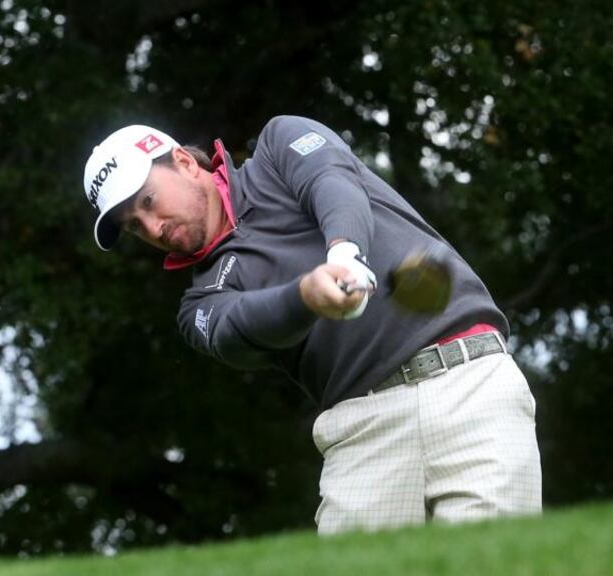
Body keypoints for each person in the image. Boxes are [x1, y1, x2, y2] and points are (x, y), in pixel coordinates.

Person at [81, 116, 542, 534]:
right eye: (135, 226)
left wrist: (344, 253)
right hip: (362, 432)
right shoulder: (199, 303)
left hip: (469, 381)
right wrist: (306, 296)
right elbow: (240, 329)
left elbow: (332, 182)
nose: (152, 227)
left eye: (148, 201)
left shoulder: (278, 147)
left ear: (183, 161)